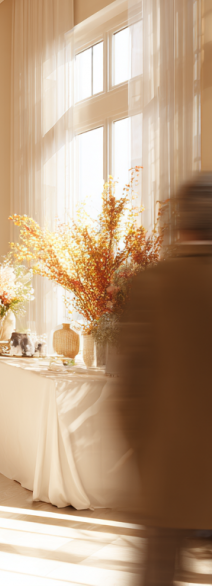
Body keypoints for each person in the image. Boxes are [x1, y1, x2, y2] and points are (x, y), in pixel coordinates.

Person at [116, 173, 212, 586]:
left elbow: (129, 392)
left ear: (181, 223)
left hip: (169, 471)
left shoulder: (154, 284)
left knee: (156, 574)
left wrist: (142, 454)